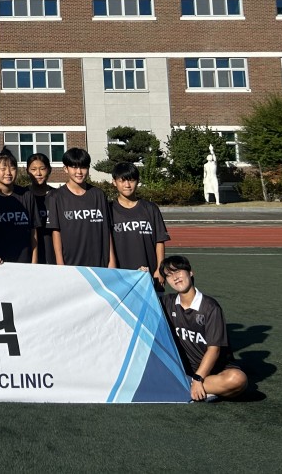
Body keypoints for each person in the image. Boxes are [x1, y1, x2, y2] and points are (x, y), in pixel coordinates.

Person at [160, 255, 248, 401]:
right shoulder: (167, 302)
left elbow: (214, 350)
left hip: (215, 371)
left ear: (190, 272)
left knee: (238, 379)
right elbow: (141, 297)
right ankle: (201, 389)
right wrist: (142, 275)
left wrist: (198, 378)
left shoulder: (210, 307)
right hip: (186, 370)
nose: (175, 277)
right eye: (169, 275)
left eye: (178, 271)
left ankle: (189, 386)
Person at [46, 148, 115, 268]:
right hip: (70, 264)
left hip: (100, 264)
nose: (79, 172)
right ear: (66, 169)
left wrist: (112, 260)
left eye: (83, 167)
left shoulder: (99, 194)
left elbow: (106, 229)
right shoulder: (55, 197)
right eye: (74, 167)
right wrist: (60, 264)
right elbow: (56, 232)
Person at [109, 162, 169, 290]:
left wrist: (160, 269)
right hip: (121, 276)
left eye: (131, 180)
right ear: (114, 182)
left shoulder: (150, 208)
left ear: (138, 181)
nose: (127, 185)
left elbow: (160, 241)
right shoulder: (109, 210)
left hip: (150, 274)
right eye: (122, 181)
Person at [0, 148, 39, 263]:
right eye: (3, 169)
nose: (8, 173)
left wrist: (34, 262)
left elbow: (33, 231)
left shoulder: (26, 195)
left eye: (12, 168)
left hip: (24, 263)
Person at [26, 153, 56, 264]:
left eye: (42, 169)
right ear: (27, 171)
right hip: (30, 257)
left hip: (54, 255)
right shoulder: (23, 196)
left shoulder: (58, 196)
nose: (38, 173)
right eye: (33, 169)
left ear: (49, 170)